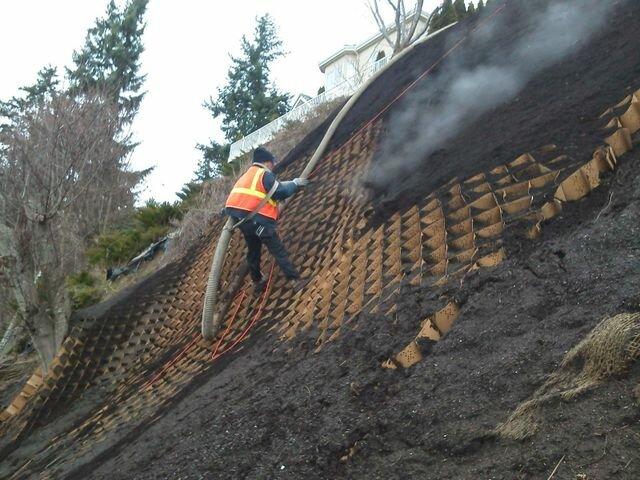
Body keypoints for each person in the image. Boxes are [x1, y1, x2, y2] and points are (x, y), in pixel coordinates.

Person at [224, 146, 310, 294]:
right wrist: (295, 184)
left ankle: (257, 281)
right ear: (266, 162)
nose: (273, 166)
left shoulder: (246, 176)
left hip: (243, 222)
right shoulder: (264, 174)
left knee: (253, 251)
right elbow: (280, 192)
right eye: (272, 163)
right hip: (260, 221)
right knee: (278, 251)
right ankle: (295, 281)